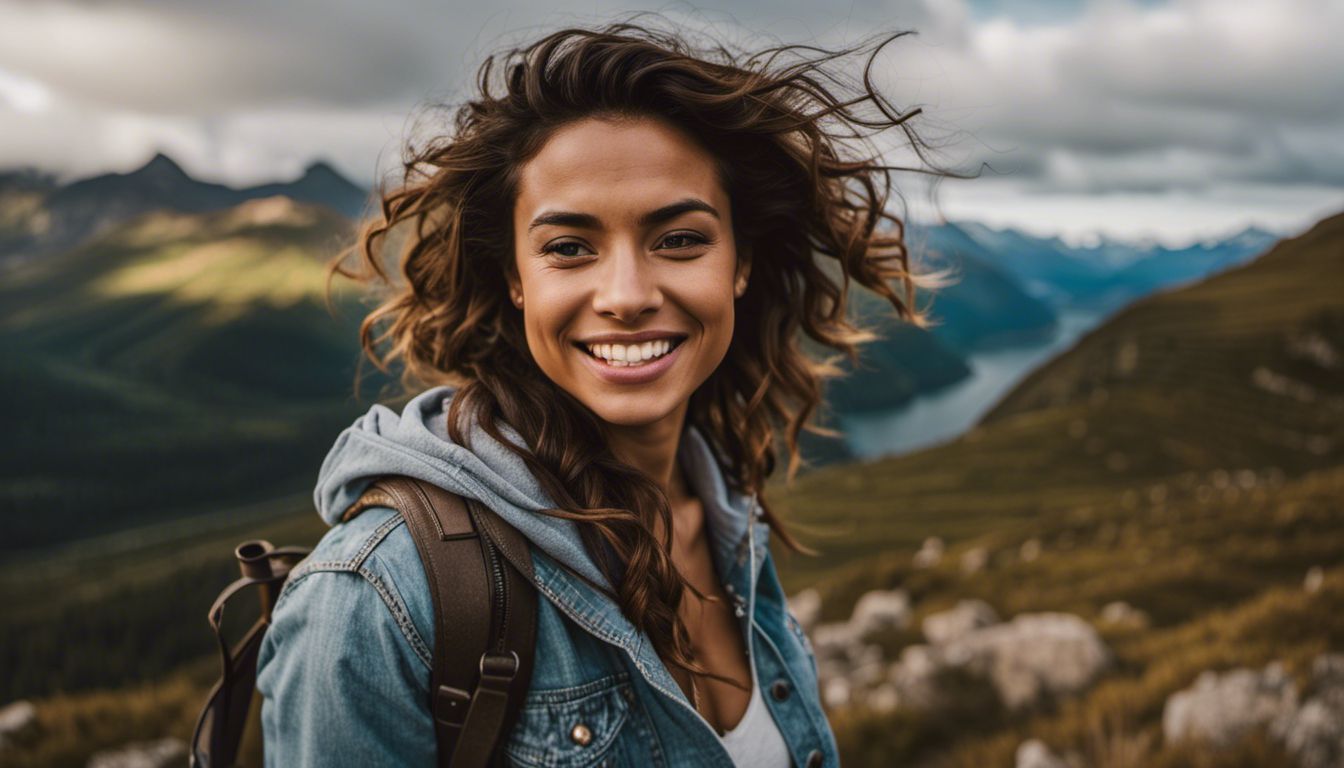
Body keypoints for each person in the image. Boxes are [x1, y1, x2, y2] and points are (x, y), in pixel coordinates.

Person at [256, 17, 938, 768]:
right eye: (569, 248)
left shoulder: (724, 515)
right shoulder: (378, 597)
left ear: (740, 261)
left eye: (679, 239)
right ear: (515, 279)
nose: (626, 295)